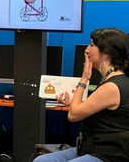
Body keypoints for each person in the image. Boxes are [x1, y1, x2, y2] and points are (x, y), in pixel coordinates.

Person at [34, 28, 129, 162]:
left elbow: (73, 116)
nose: (86, 50)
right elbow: (94, 111)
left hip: (108, 155)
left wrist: (84, 78)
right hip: (91, 148)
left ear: (106, 53)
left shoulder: (112, 86)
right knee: (41, 160)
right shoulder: (111, 80)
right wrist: (72, 103)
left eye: (91, 45)